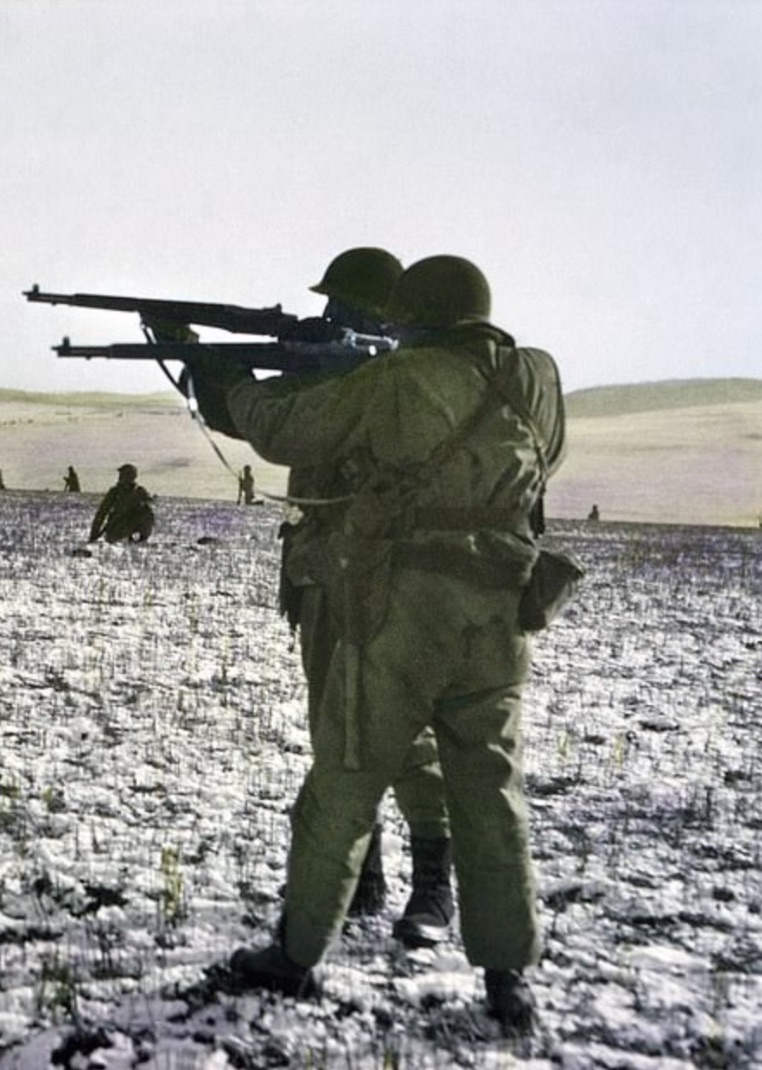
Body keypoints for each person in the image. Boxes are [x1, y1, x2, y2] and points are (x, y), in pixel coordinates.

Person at [190, 254, 566, 1035]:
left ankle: (295, 957)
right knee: (491, 788)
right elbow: (543, 461)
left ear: (412, 315)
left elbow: (285, 428)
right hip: (501, 609)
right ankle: (508, 982)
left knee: (347, 774)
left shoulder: (396, 378)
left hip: (404, 605)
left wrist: (226, 383)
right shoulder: (536, 376)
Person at [194, 248, 454, 945]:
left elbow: (288, 424)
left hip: (391, 572)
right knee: (331, 726)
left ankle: (434, 882)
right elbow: (256, 419)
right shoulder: (339, 368)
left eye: (345, 307)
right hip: (321, 568)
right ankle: (360, 874)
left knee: (406, 735)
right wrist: (199, 361)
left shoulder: (408, 379)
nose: (330, 315)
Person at [89, 464, 155, 543]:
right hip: (116, 528)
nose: (120, 477)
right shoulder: (115, 492)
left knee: (147, 511)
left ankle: (141, 539)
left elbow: (149, 509)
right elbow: (102, 513)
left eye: (123, 475)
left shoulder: (139, 491)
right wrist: (94, 533)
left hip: (131, 527)